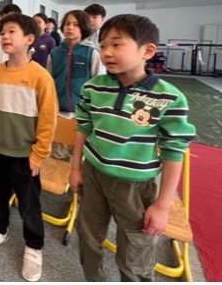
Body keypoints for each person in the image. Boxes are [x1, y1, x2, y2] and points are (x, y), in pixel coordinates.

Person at [69, 14, 196, 281]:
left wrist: (162, 206)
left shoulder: (169, 97)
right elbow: (83, 127)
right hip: (93, 174)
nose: (107, 52)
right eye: (103, 45)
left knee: (136, 251)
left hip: (135, 186)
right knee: (88, 236)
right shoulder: (93, 87)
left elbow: (174, 152)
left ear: (147, 51)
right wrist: (76, 168)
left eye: (116, 44)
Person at [0, 13, 58, 282]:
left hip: (25, 155)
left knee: (29, 204)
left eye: (12, 31)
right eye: (3, 32)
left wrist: (39, 154)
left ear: (29, 39)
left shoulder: (40, 76)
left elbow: (48, 120)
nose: (5, 36)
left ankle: (34, 245)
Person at [47, 10, 102, 113]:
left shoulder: (91, 53)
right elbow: (48, 83)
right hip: (57, 110)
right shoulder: (54, 54)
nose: (70, 27)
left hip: (83, 112)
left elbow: (98, 84)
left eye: (76, 25)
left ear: (84, 27)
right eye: (67, 24)